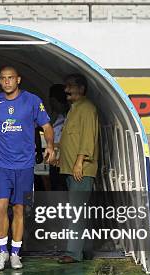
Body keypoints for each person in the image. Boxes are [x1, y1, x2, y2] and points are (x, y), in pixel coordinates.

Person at [0, 66, 55, 271]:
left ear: (18, 80)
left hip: (24, 165)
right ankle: (1, 251)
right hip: (1, 165)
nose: (7, 82)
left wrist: (49, 146)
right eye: (3, 78)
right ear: (0, 81)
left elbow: (47, 127)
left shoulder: (32, 101)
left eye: (11, 78)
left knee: (19, 208)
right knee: (0, 207)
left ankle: (15, 253)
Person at [56, 73, 99, 263]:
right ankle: (84, 250)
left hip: (80, 169)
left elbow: (88, 139)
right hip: (71, 168)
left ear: (81, 89)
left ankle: (73, 253)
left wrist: (79, 162)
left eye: (70, 86)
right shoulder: (75, 109)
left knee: (77, 211)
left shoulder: (87, 108)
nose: (66, 90)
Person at [48, 84, 69, 191]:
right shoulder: (57, 116)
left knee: (61, 187)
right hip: (55, 158)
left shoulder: (69, 116)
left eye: (53, 102)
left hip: (63, 158)